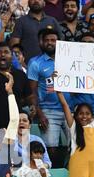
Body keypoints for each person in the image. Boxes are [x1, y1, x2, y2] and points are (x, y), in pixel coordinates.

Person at [27, 28, 70, 167]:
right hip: (48, 110)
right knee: (50, 147)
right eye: (47, 40)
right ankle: (54, 176)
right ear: (42, 42)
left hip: (71, 110)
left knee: (76, 145)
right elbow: (32, 92)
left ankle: (68, 173)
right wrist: (40, 114)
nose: (50, 43)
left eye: (53, 40)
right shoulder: (35, 63)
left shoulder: (70, 60)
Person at [57, 90, 94, 177]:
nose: (84, 116)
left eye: (87, 113)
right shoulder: (73, 126)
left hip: (93, 166)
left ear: (92, 116)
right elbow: (64, 105)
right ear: (76, 116)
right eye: (81, 113)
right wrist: (59, 92)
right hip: (77, 166)